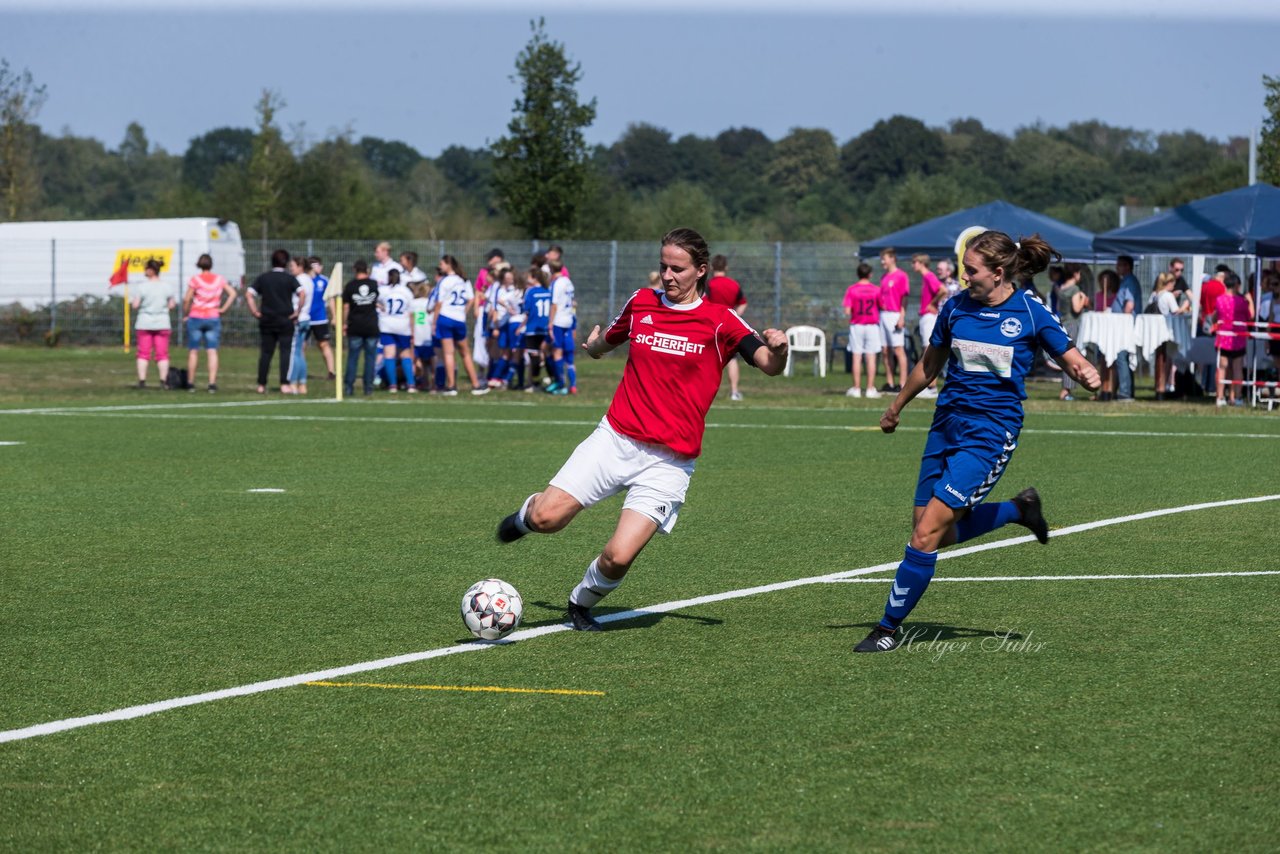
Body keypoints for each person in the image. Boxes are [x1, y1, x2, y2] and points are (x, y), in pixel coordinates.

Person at [495, 227, 790, 631]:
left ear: (701, 270)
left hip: (669, 462)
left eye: (678, 269)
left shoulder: (721, 321)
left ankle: (579, 603)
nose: (668, 276)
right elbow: (610, 340)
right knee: (548, 519)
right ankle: (525, 516)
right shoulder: (642, 302)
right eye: (663, 266)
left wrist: (780, 349)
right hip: (615, 438)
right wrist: (595, 347)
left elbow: (769, 366)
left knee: (618, 556)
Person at [854, 231, 1101, 653]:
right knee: (928, 531)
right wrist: (896, 406)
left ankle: (886, 630)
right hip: (946, 425)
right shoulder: (956, 307)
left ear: (998, 272)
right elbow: (929, 366)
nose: (965, 277)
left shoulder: (1030, 311)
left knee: (926, 535)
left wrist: (1086, 373)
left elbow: (1071, 357)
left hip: (990, 433)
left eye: (971, 270)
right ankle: (1018, 510)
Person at [246, 248, 306, 394]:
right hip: (285, 319)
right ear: (286, 263)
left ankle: (261, 384)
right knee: (285, 352)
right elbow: (302, 293)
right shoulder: (289, 278)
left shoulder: (264, 277)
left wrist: (254, 311)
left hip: (267, 319)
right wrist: (297, 312)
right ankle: (284, 384)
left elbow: (249, 294)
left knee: (266, 353)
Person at [181, 253, 236, 393]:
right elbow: (233, 293)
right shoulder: (219, 279)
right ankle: (212, 383)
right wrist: (223, 308)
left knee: (193, 351)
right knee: (212, 351)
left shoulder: (196, 280)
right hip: (213, 317)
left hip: (196, 317)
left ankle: (191, 383)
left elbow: (187, 299)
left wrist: (186, 313)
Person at [434, 254, 486, 396]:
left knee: (449, 353)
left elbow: (439, 303)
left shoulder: (444, 281)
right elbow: (471, 299)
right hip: (459, 319)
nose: (440, 267)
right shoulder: (464, 280)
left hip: (445, 317)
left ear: (449, 265)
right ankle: (475, 385)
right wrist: (463, 312)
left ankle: (451, 386)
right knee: (465, 353)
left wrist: (434, 322)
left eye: (442, 264)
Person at [707, 254, 748, 401]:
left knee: (706, 359)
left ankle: (705, 392)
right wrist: (734, 317)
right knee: (732, 359)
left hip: (710, 326)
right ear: (726, 267)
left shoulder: (709, 284)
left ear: (711, 267)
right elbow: (743, 302)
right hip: (728, 327)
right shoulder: (734, 284)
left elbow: (703, 303)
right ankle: (734, 392)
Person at [131, 259, 176, 389]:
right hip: (162, 323)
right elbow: (172, 305)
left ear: (150, 270)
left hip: (144, 323)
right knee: (162, 354)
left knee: (143, 353)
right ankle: (163, 381)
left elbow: (135, 305)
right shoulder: (167, 286)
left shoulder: (142, 287)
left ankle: (142, 381)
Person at [842, 263, 882, 399]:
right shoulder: (876, 290)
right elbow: (882, 305)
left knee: (856, 357)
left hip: (857, 326)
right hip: (872, 326)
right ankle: (870, 389)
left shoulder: (851, 289)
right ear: (870, 274)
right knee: (871, 357)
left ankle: (857, 388)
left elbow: (847, 310)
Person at [1214, 272, 1253, 407]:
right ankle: (1237, 397)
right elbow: (1250, 316)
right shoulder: (1242, 301)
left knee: (1222, 368)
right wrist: (1250, 301)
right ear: (1237, 285)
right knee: (1237, 369)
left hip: (1223, 337)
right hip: (1238, 339)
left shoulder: (1219, 300)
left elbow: (1215, 316)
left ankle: (1220, 397)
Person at [342, 260, 380, 397]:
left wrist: (344, 323)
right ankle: (368, 388)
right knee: (370, 359)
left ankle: (349, 387)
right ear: (367, 270)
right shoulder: (374, 284)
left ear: (354, 269)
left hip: (355, 326)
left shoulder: (350, 286)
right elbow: (377, 301)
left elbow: (346, 307)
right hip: (371, 326)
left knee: (353, 358)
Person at [1149, 271, 1188, 400]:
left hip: (1155, 331)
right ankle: (1163, 387)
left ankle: (1160, 386)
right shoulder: (1168, 296)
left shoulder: (1155, 295)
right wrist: (1185, 306)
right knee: (1166, 359)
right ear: (1169, 283)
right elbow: (1176, 312)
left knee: (1160, 358)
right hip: (1166, 331)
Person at [379, 268, 417, 393]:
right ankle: (411, 384)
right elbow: (411, 313)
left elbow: (373, 299)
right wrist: (413, 331)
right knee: (405, 355)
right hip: (402, 325)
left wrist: (380, 306)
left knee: (389, 355)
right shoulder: (406, 291)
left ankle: (393, 385)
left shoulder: (383, 290)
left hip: (387, 325)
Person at [877, 247, 910, 392]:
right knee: (885, 350)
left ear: (892, 258)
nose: (882, 261)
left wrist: (902, 317)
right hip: (883, 315)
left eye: (884, 258)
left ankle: (903, 384)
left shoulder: (901, 276)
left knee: (898, 350)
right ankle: (890, 383)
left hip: (895, 314)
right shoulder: (883, 277)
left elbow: (904, 298)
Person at [912, 253, 944, 399]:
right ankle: (929, 386)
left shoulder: (929, 276)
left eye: (914, 262)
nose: (913, 265)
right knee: (926, 351)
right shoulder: (926, 278)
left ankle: (931, 386)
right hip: (926, 316)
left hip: (929, 316)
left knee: (929, 352)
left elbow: (943, 290)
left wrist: (931, 303)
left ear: (921, 263)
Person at [1056, 263, 1089, 401]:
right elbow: (1076, 308)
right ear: (1075, 274)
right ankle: (1066, 390)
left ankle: (1066, 389)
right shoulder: (1075, 289)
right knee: (1072, 358)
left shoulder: (1062, 287)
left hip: (1063, 322)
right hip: (1073, 324)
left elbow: (1058, 306)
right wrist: (1084, 299)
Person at [517, 267, 552, 392]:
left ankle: (535, 384)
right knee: (546, 354)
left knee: (534, 356)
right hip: (546, 328)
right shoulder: (548, 291)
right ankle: (553, 380)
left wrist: (520, 327)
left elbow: (526, 311)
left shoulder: (530, 292)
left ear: (534, 278)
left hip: (532, 328)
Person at [1112, 255, 1141, 402]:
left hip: (1125, 324)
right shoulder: (1125, 281)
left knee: (1121, 356)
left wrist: (1122, 322)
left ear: (1127, 266)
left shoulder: (1129, 282)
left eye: (1120, 265)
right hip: (1124, 323)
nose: (1117, 268)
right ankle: (1127, 390)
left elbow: (1129, 305)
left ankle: (1124, 392)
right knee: (1125, 357)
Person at [546, 260, 577, 395]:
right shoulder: (568, 282)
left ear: (552, 270)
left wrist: (550, 324)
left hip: (558, 321)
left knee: (557, 353)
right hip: (568, 320)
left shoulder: (556, 283)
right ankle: (573, 385)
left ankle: (561, 384)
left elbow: (554, 305)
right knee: (569, 357)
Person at [285, 255, 314, 395]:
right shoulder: (309, 280)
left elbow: (300, 297)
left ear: (300, 267)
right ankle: (303, 384)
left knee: (294, 353)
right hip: (307, 318)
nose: (291, 269)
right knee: (300, 353)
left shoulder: (298, 280)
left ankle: (293, 383)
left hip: (299, 318)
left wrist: (296, 312)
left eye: (293, 266)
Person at [307, 257, 335, 379]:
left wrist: (334, 316)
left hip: (320, 319)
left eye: (318, 265)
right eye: (313, 265)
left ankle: (331, 372)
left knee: (324, 345)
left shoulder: (324, 281)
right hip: (305, 318)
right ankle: (300, 372)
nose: (317, 268)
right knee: (300, 346)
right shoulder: (304, 280)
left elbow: (330, 299)